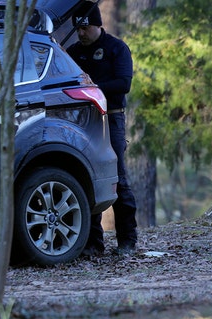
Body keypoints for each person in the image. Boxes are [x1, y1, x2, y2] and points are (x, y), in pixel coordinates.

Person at [67, 1, 137, 255]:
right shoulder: (73, 52)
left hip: (111, 119)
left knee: (117, 178)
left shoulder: (116, 48)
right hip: (80, 120)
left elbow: (123, 84)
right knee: (86, 178)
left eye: (85, 28)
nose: (81, 33)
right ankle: (92, 244)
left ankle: (127, 241)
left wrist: (91, 88)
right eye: (78, 30)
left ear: (98, 25)